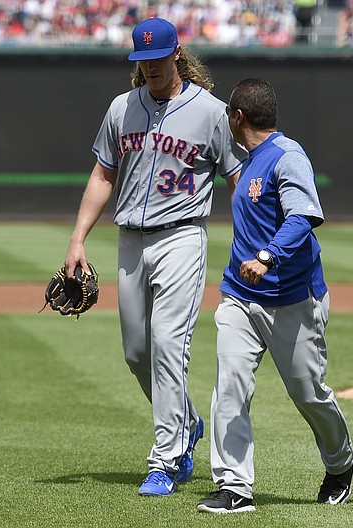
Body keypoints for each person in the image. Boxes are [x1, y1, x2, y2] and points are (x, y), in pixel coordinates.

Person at [62, 17, 246, 496]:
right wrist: (78, 239)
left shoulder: (210, 112)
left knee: (168, 344)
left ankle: (165, 460)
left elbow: (237, 180)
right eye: (142, 61)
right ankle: (186, 421)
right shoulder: (122, 108)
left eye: (158, 59)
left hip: (182, 237)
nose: (151, 68)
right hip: (129, 241)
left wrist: (255, 240)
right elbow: (103, 174)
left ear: (177, 54)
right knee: (136, 352)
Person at [196, 78, 353, 514]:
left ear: (238, 117)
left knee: (308, 393)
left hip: (292, 298)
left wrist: (267, 256)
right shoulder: (247, 161)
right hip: (240, 296)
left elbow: (304, 214)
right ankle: (234, 486)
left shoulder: (288, 157)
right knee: (230, 385)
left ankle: (341, 462)